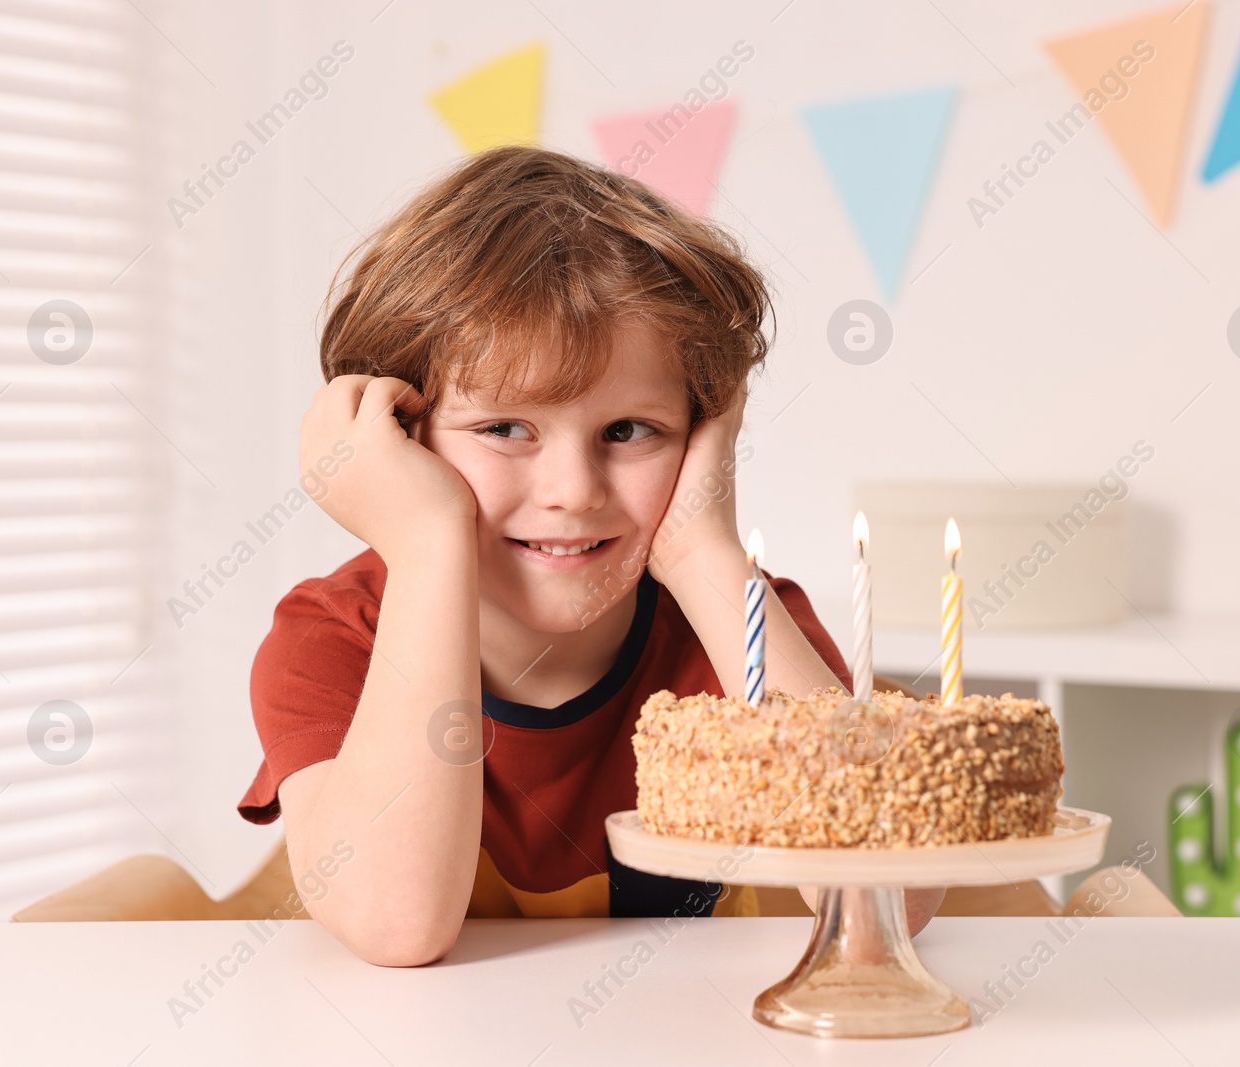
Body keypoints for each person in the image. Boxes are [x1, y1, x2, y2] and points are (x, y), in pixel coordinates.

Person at [236, 145, 943, 966]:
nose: (573, 489)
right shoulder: (331, 639)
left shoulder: (733, 625)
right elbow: (400, 924)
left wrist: (702, 550)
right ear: (400, 436)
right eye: (505, 428)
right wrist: (428, 545)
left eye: (630, 430)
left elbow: (891, 899)